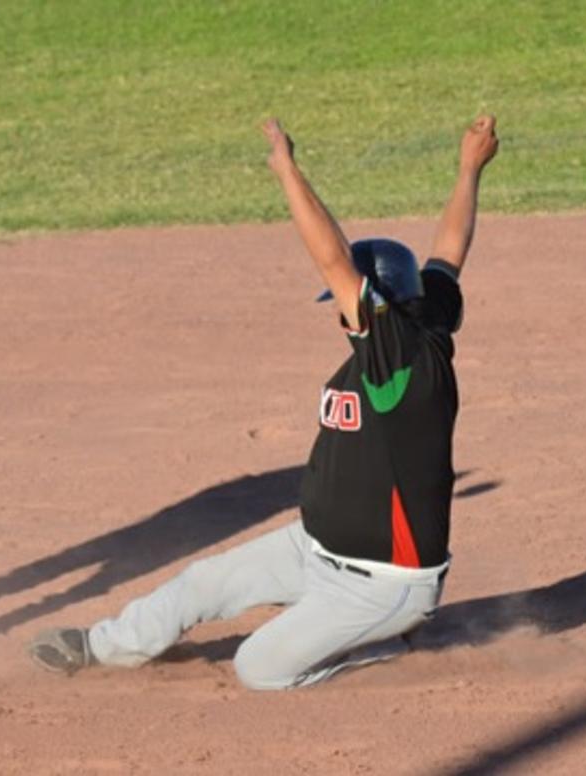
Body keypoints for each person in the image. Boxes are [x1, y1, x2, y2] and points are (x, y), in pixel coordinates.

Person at [28, 115, 499, 689]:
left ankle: (385, 644)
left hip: (382, 583)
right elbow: (448, 253)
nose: (338, 310)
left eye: (346, 303)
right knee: (203, 582)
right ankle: (101, 645)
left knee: (259, 667)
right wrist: (469, 168)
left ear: (380, 307)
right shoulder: (426, 318)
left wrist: (286, 170)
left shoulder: (397, 359)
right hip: (313, 548)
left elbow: (333, 259)